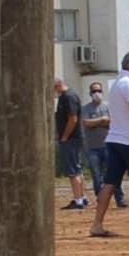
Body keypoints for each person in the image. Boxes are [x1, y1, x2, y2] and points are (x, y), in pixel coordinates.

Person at [89, 48, 129, 238]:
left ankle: (97, 224)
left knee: (109, 183)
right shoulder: (128, 83)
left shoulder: (119, 83)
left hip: (116, 139)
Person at [53, 78, 87, 209]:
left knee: (72, 170)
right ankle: (82, 197)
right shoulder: (65, 96)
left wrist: (65, 136)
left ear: (58, 86)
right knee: (77, 169)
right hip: (73, 138)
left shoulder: (69, 97)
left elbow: (72, 119)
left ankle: (78, 200)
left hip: (71, 139)